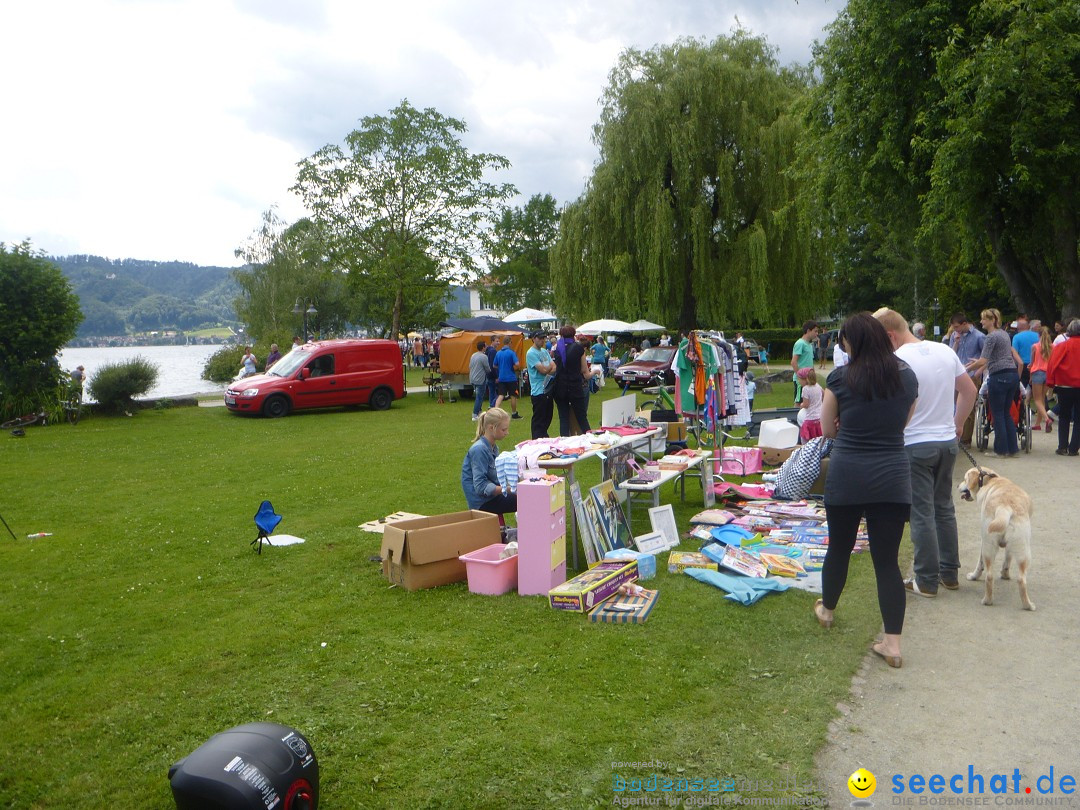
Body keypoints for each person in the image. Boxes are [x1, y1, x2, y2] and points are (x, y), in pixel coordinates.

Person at [814, 312, 918, 669]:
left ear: (852, 342)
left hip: (848, 475)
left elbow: (827, 429)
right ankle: (892, 643)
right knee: (886, 561)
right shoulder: (907, 376)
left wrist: (849, 423)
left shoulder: (840, 377)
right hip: (892, 476)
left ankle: (827, 610)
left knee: (839, 548)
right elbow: (903, 421)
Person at [875, 308, 977, 597]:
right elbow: (969, 391)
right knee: (943, 507)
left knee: (921, 512)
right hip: (946, 441)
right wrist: (957, 425)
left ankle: (926, 578)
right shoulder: (944, 351)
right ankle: (949, 572)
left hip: (916, 443)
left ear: (889, 336)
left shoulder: (896, 360)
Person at [965, 308, 1023, 458]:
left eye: (984, 319)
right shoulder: (1004, 334)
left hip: (999, 376)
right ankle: (1012, 449)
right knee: (1006, 413)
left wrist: (967, 368)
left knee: (997, 414)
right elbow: (995, 357)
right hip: (1012, 375)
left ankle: (1001, 450)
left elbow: (984, 361)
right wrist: (976, 362)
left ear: (992, 320)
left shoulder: (990, 337)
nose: (981, 322)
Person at [461, 408, 517, 516]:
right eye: (504, 430)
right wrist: (509, 489)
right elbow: (480, 487)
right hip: (482, 503)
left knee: (527, 496)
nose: (507, 433)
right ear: (491, 428)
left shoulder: (493, 447)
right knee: (526, 500)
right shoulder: (479, 450)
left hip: (491, 498)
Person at [945, 312, 985, 445]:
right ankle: (954, 434)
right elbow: (950, 354)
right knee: (954, 405)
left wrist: (979, 371)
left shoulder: (979, 336)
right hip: (956, 374)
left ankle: (965, 439)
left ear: (964, 324)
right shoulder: (954, 336)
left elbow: (986, 357)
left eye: (957, 327)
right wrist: (956, 343)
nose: (955, 330)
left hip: (971, 374)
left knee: (968, 406)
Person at [1047, 318, 1080, 456]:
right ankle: (1074, 448)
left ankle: (1062, 446)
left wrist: (1051, 382)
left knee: (1064, 416)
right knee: (1079, 418)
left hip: (1064, 385)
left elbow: (1052, 364)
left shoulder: (1062, 346)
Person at [552, 325, 591, 436]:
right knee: (582, 418)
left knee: (563, 419)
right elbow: (584, 369)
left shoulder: (556, 348)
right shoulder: (578, 348)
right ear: (573, 334)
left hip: (560, 387)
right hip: (574, 386)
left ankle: (564, 443)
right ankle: (590, 440)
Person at [526, 330, 556, 438]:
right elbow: (543, 370)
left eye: (544, 338)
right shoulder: (531, 353)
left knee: (548, 416)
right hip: (538, 391)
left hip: (548, 388)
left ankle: (544, 437)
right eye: (540, 338)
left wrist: (547, 369)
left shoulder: (544, 351)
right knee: (539, 419)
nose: (542, 340)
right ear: (533, 339)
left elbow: (554, 367)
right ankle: (537, 439)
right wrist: (548, 369)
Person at [1029, 327, 1054, 432]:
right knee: (1042, 398)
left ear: (1038, 335)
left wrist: (1030, 376)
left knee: (1037, 399)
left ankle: (1047, 419)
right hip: (1048, 373)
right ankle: (1038, 424)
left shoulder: (1035, 346)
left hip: (1037, 372)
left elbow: (1032, 363)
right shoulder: (1053, 347)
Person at [791, 320, 819, 404]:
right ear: (808, 331)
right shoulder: (800, 343)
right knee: (799, 402)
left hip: (809, 380)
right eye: (815, 331)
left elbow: (810, 363)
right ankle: (795, 417)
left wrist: (813, 377)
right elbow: (793, 362)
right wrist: (801, 377)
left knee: (808, 403)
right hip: (801, 381)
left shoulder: (809, 345)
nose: (817, 333)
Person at [493, 337, 522, 419]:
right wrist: (512, 366)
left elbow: (494, 365)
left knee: (501, 395)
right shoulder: (511, 352)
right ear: (509, 343)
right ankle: (514, 413)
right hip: (511, 377)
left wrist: (501, 367)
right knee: (513, 396)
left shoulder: (498, 353)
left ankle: (495, 412)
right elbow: (517, 364)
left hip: (501, 377)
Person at [797, 367, 823, 442]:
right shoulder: (817, 386)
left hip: (810, 419)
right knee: (818, 440)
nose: (799, 382)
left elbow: (806, 404)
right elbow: (824, 394)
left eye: (800, 380)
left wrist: (801, 405)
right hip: (819, 418)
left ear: (805, 379)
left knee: (805, 440)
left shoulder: (805, 389)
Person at [1011, 315, 1038, 387]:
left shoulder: (1016, 337)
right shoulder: (1037, 335)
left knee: (1022, 389)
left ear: (1018, 326)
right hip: (1036, 364)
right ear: (1028, 326)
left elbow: (1014, 353)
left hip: (1023, 366)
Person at [469, 341, 491, 421]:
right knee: (479, 397)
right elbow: (487, 368)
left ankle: (479, 412)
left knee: (479, 395)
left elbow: (470, 366)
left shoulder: (473, 355)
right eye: (486, 346)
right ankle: (474, 414)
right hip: (480, 379)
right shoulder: (484, 357)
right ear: (483, 348)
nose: (487, 347)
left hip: (472, 378)